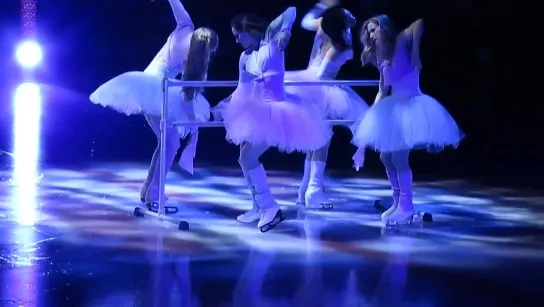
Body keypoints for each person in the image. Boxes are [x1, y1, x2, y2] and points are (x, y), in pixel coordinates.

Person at [89, 0, 218, 213]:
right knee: (171, 141)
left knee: (166, 141)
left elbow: (175, 3)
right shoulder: (193, 60)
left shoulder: (186, 26)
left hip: (148, 83)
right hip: (159, 89)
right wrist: (193, 121)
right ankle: (154, 192)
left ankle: (149, 189)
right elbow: (187, 93)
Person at [221, 7, 332, 232]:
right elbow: (242, 89)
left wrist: (285, 30)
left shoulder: (273, 43)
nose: (236, 40)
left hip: (279, 110)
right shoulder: (245, 57)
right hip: (257, 109)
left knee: (249, 155)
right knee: (244, 156)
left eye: (238, 34)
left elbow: (291, 11)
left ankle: (269, 207)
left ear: (250, 30)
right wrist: (223, 107)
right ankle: (258, 206)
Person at [351, 15, 464, 225]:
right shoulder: (380, 57)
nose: (371, 35)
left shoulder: (401, 41)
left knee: (398, 158)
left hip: (412, 105)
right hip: (393, 105)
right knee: (386, 156)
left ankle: (406, 205)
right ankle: (397, 201)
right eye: (368, 32)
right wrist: (371, 117)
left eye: (374, 29)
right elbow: (382, 91)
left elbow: (419, 23)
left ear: (384, 28)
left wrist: (415, 51)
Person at [285, 0, 369, 209]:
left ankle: (305, 190)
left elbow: (306, 22)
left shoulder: (325, 30)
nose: (352, 14)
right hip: (319, 88)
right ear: (341, 22)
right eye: (347, 13)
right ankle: (313, 191)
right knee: (321, 141)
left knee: (314, 141)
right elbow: (322, 74)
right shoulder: (339, 45)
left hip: (313, 86)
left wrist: (321, 6)